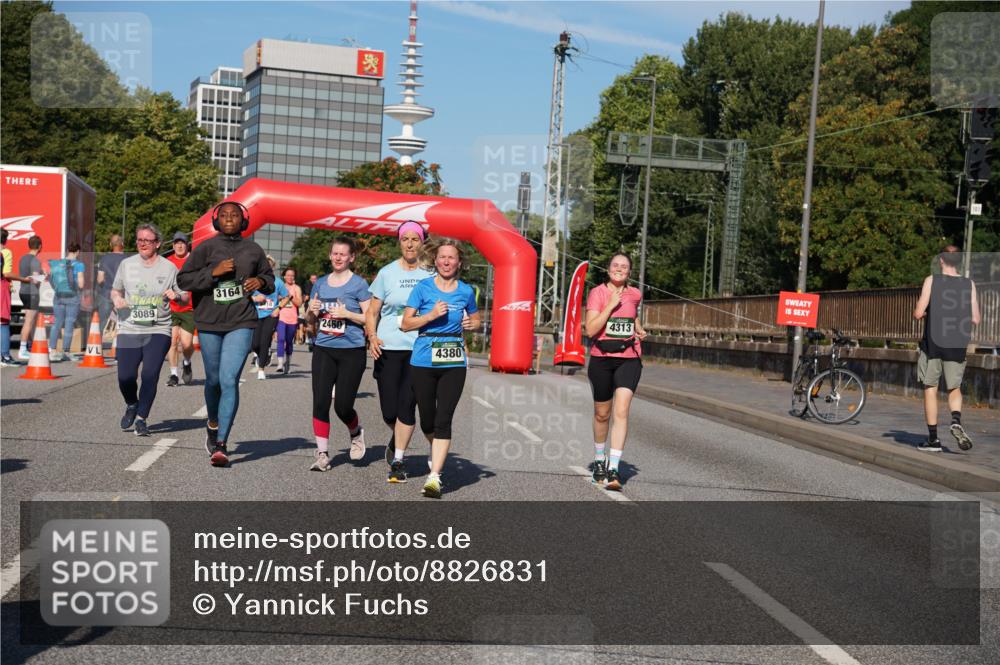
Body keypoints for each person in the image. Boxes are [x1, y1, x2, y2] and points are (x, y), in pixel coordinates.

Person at [177, 201, 274, 467]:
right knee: (213, 381)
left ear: (244, 221)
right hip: (209, 322)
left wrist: (261, 282)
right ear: (216, 220)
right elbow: (183, 280)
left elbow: (270, 279)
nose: (229, 218)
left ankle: (221, 444)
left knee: (229, 379)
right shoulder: (205, 248)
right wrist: (213, 273)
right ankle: (212, 422)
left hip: (241, 321)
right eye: (224, 215)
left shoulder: (253, 249)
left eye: (235, 215)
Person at [401, 237, 480, 498]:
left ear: (459, 263)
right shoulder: (423, 288)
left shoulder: (466, 291)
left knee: (444, 418)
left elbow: (477, 319)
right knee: (428, 420)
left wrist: (472, 325)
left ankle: (434, 477)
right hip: (423, 358)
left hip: (453, 361)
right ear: (435, 260)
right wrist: (431, 316)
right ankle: (435, 454)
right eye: (442, 257)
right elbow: (405, 324)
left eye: (452, 258)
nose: (447, 261)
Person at [365, 221, 434, 482]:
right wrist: (371, 336)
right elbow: (372, 311)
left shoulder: (430, 274)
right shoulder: (386, 273)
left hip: (419, 349)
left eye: (414, 239)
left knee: (407, 405)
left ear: (422, 242)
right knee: (388, 411)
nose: (409, 243)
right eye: (405, 238)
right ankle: (399, 435)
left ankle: (400, 459)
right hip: (387, 348)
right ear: (399, 242)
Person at [583, 253, 648, 491]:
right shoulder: (597, 293)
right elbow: (591, 329)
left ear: (629, 272)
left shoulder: (635, 294)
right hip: (602, 359)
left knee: (621, 411)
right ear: (608, 269)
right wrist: (610, 304)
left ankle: (614, 469)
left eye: (624, 266)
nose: (619, 269)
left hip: (628, 359)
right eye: (615, 265)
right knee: (602, 414)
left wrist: (639, 329)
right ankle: (600, 462)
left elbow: (632, 315)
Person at [305, 237, 370, 472]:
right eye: (335, 253)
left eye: (343, 254)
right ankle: (322, 453)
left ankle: (355, 431)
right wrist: (310, 313)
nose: (338, 257)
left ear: (351, 257)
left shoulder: (359, 285)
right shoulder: (320, 284)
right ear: (330, 256)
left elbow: (370, 317)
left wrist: (348, 314)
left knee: (342, 406)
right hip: (324, 348)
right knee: (320, 402)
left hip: (351, 351)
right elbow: (310, 320)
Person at [111, 224, 179, 437]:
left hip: (159, 328)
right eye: (139, 239)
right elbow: (115, 289)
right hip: (130, 327)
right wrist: (117, 299)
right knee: (125, 377)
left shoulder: (169, 268)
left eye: (147, 240)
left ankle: (142, 418)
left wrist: (176, 295)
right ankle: (132, 403)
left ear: (157, 243)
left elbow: (184, 294)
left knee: (150, 374)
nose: (142, 243)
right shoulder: (126, 264)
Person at [912, 245, 981, 452]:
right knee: (954, 387)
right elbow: (976, 319)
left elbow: (917, 313)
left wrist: (926, 311)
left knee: (930, 388)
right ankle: (955, 419)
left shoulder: (931, 281)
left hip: (933, 344)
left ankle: (933, 440)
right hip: (957, 343)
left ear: (941, 260)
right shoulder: (969, 284)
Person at [250, 257, 289, 380]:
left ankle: (261, 369)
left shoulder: (278, 282)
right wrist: (255, 298)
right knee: (254, 344)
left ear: (272, 268)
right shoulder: (253, 281)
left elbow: (287, 296)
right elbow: (245, 295)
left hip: (271, 315)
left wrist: (278, 308)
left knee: (265, 340)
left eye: (269, 266)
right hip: (256, 315)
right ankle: (264, 354)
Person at [165, 232, 195, 387]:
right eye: (176, 243)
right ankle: (174, 374)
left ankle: (187, 362)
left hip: (188, 307)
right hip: (170, 308)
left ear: (187, 244)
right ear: (173, 245)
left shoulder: (193, 260)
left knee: (187, 344)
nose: (179, 245)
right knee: (172, 342)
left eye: (182, 242)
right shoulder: (168, 262)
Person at [48, 241, 86, 362]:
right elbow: (81, 284)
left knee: (57, 322)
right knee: (69, 323)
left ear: (68, 251)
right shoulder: (79, 265)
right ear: (78, 252)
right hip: (72, 297)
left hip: (58, 295)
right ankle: (66, 351)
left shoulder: (58, 263)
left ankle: (52, 350)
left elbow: (51, 279)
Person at [17, 236, 45, 360]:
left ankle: (28, 346)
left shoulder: (22, 258)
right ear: (39, 246)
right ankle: (23, 349)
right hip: (32, 293)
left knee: (30, 320)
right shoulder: (35, 260)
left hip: (23, 291)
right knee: (29, 321)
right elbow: (35, 280)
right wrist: (44, 276)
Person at [96, 234, 127, 340]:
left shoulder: (105, 258)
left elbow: (100, 279)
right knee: (124, 322)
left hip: (107, 293)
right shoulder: (127, 259)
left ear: (110, 244)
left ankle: (96, 346)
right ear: (122, 244)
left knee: (102, 322)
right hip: (122, 295)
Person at [275, 267, 303, 374]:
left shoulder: (297, 288)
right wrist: (280, 297)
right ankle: (280, 363)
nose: (290, 277)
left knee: (289, 342)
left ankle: (288, 363)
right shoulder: (280, 287)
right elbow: (274, 298)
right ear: (284, 276)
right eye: (288, 275)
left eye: (292, 275)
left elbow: (299, 303)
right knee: (281, 339)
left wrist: (290, 297)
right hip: (281, 317)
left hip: (292, 319)